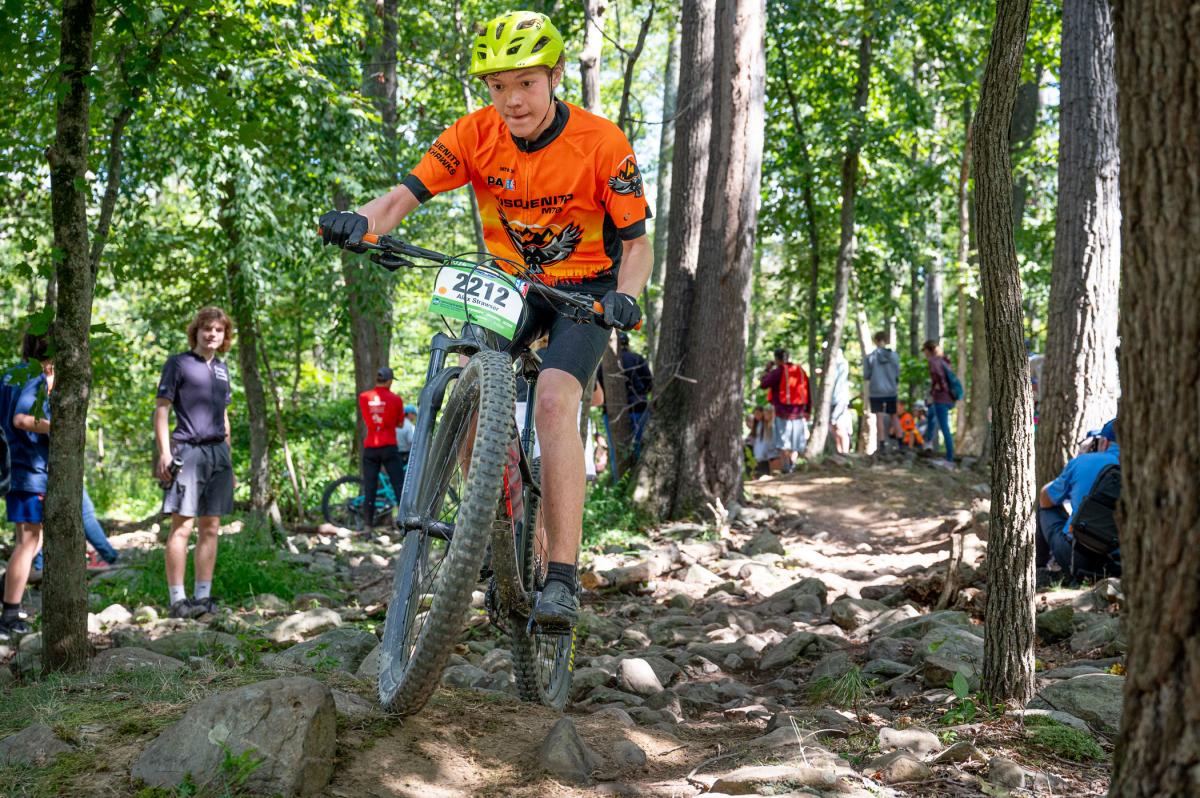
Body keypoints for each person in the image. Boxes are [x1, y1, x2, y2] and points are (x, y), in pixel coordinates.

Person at [316, 10, 652, 632]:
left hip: (585, 290)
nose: (512, 100)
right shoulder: (474, 134)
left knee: (554, 400)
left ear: (553, 76)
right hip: (512, 285)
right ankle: (492, 529)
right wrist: (360, 221)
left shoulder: (602, 143)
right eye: (498, 87)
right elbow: (399, 198)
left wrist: (626, 297)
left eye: (524, 82)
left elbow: (636, 246)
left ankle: (560, 576)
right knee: (472, 386)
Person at [154, 307, 235, 619]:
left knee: (211, 527)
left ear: (224, 335)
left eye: (218, 330)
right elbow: (161, 410)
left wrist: (230, 461)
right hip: (186, 451)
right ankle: (177, 599)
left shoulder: (223, 369)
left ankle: (202, 597)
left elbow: (224, 416)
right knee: (182, 526)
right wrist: (164, 452)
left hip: (219, 454)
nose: (212, 334)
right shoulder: (178, 363)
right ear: (196, 332)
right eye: (207, 329)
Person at [0, 336, 52, 640]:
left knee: (28, 538)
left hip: (12, 465)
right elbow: (22, 419)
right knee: (29, 541)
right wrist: (56, 424)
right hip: (29, 468)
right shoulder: (34, 377)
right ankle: (9, 614)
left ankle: (9, 595)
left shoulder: (11, 373)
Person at [1037, 422, 1121, 586]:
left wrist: (1080, 460)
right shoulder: (1145, 468)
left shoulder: (1084, 461)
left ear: (1103, 442)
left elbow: (1046, 499)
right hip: (1121, 564)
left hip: (1077, 557)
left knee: (1045, 507)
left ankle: (1039, 567)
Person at [358, 366, 407, 529]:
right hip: (389, 446)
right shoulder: (396, 399)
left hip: (371, 447)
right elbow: (400, 423)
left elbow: (367, 417)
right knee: (399, 485)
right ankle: (404, 526)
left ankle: (367, 527)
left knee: (370, 488)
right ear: (389, 381)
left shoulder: (364, 397)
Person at [759, 348, 810, 472]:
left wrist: (767, 369)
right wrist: (808, 410)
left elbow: (763, 384)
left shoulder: (779, 372)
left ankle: (787, 468)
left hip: (783, 414)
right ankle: (792, 465)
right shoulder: (800, 370)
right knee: (795, 444)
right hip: (799, 414)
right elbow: (808, 391)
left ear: (777, 359)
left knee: (782, 443)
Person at [616, 332, 653, 458]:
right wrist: (641, 393)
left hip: (618, 411)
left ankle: (630, 473)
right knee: (641, 442)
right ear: (628, 344)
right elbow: (649, 382)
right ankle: (639, 470)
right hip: (640, 405)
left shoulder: (612, 363)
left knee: (623, 447)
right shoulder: (638, 358)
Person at [921, 340, 956, 468]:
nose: (924, 353)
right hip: (948, 398)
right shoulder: (944, 360)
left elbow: (939, 379)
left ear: (928, 350)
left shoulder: (933, 361)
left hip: (941, 398)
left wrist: (936, 390)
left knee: (945, 428)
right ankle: (928, 443)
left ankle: (949, 460)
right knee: (931, 414)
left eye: (924, 350)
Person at [864, 331, 900, 453]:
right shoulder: (894, 356)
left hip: (876, 391)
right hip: (891, 390)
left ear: (875, 341)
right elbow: (897, 373)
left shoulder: (870, 357)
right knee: (893, 415)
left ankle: (882, 443)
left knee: (879, 417)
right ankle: (901, 442)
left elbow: (866, 375)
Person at [828, 348, 853, 455]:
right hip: (831, 400)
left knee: (839, 425)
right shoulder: (832, 365)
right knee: (833, 427)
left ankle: (845, 452)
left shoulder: (841, 363)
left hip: (840, 399)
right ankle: (839, 452)